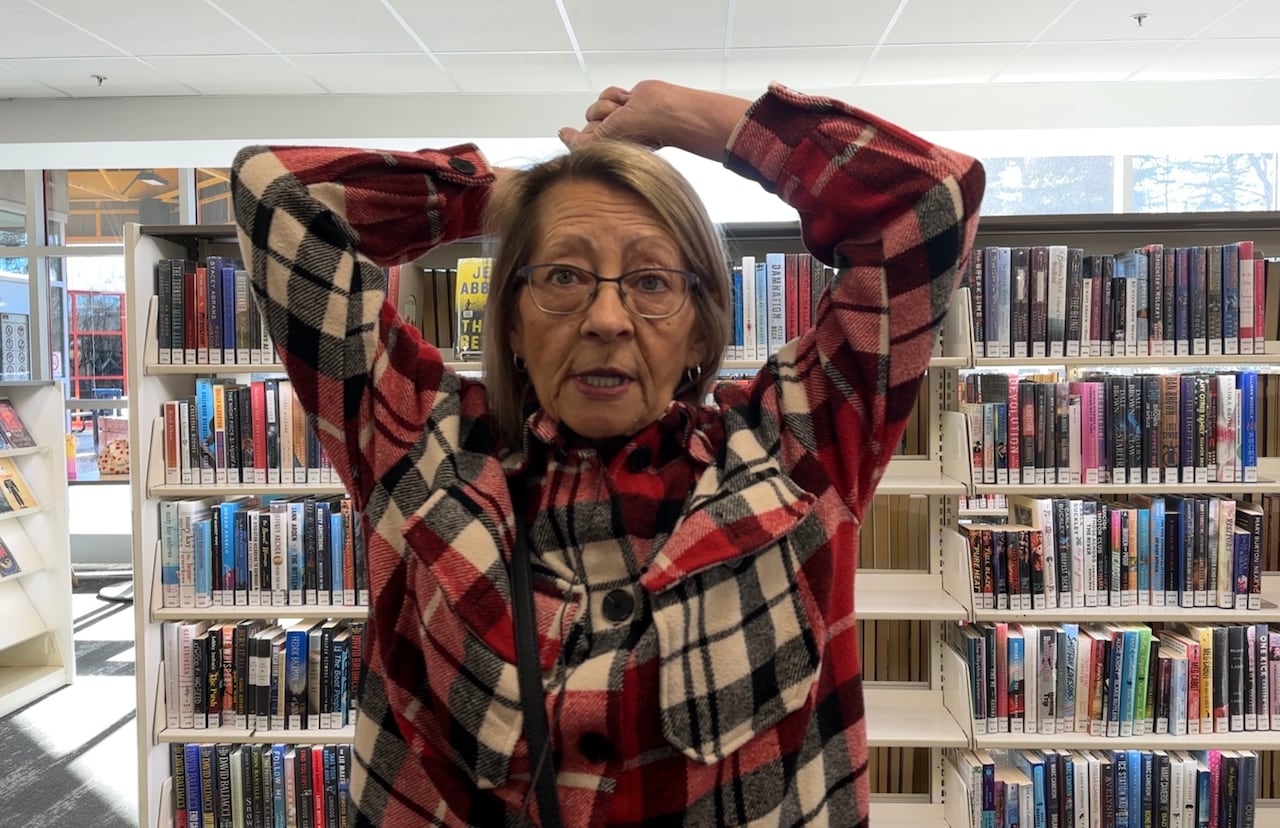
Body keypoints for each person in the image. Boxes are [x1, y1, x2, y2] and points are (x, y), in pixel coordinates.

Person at [231, 79, 985, 827]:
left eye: (653, 282)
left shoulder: (799, 447)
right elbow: (281, 196)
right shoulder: (416, 445)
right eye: (562, 276)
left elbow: (928, 203)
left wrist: (693, 119)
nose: (607, 319)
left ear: (699, 328)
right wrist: (521, 195)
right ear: (514, 324)